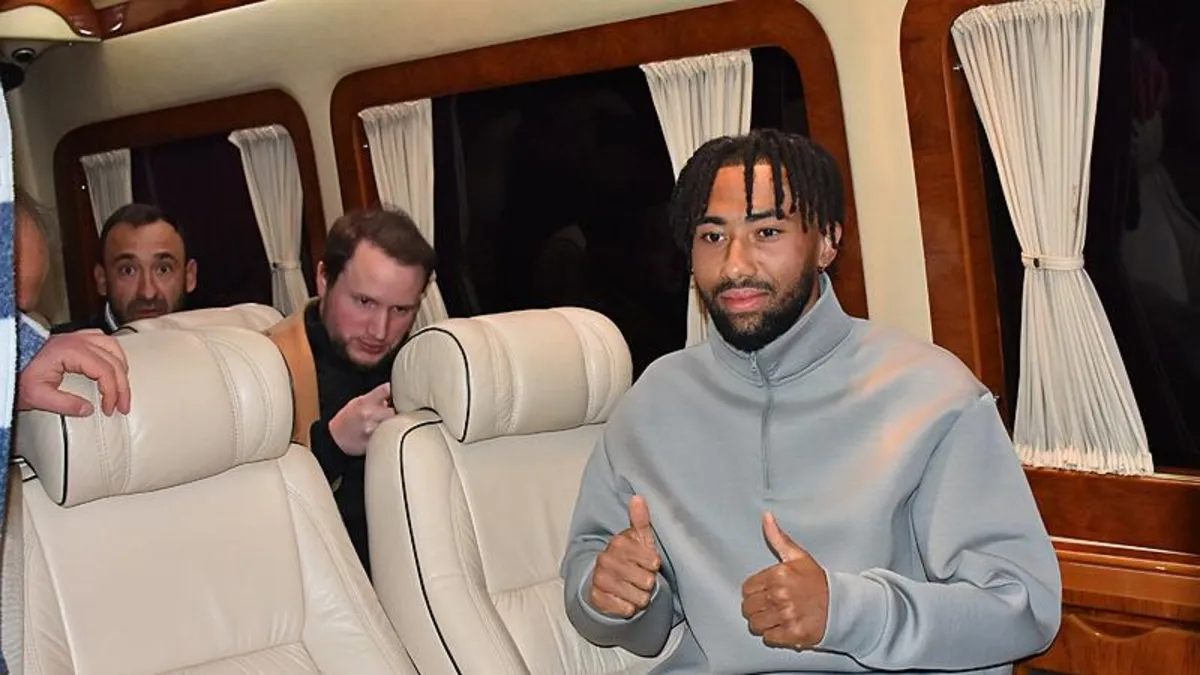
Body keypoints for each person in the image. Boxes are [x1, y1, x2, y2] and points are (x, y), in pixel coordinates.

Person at [560, 129, 1061, 674]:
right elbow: (611, 597)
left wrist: (847, 612)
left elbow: (1021, 608)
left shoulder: (933, 395)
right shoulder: (653, 404)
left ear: (826, 243)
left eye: (767, 232)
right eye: (712, 236)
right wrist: (610, 596)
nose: (735, 265)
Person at [268, 208, 434, 575]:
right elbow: (247, 517)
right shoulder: (266, 368)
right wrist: (330, 444)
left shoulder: (424, 366)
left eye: (401, 309)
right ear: (323, 279)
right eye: (364, 302)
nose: (380, 330)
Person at [51, 203, 196, 334]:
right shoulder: (61, 348)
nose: (148, 293)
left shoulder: (205, 342)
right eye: (128, 271)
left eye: (163, 269)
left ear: (190, 276)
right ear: (102, 280)